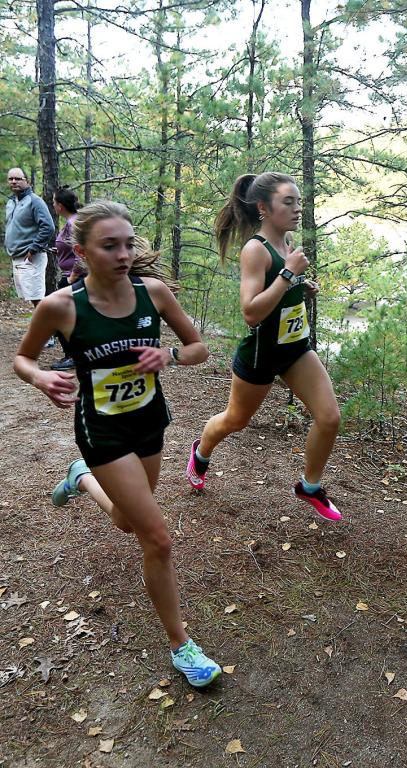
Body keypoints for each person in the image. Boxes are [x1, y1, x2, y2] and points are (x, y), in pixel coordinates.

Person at [13, 200, 222, 688]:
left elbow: (199, 349)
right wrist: (42, 377)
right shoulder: (61, 306)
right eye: (110, 246)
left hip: (149, 424)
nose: (124, 254)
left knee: (129, 522)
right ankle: (181, 646)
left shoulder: (154, 294)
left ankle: (81, 479)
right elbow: (21, 360)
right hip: (102, 430)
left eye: (128, 244)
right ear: (83, 251)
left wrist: (168, 354)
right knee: (158, 538)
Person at [185, 172, 342, 521]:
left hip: (295, 349)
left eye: (298, 201)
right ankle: (201, 451)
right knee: (235, 420)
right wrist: (288, 275)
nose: (298, 208)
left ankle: (309, 486)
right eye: (288, 201)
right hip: (261, 355)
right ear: (263, 208)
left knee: (329, 417)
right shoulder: (256, 250)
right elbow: (251, 312)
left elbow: (281, 293)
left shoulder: (287, 243)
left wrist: (302, 284)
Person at [5, 167, 55, 311]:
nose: (14, 182)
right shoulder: (11, 202)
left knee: (36, 297)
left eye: (18, 179)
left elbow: (48, 227)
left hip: (31, 257)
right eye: (11, 179)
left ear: (27, 181)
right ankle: (46, 329)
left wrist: (33, 249)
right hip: (17, 256)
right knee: (31, 298)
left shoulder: (35, 201)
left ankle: (48, 331)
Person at [50, 186, 83, 371]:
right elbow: (71, 248)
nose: (53, 205)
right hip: (69, 275)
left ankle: (73, 356)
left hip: (74, 277)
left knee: (59, 315)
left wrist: (73, 276)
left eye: (54, 202)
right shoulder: (71, 221)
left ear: (60, 206)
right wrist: (59, 251)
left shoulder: (73, 223)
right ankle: (74, 354)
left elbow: (81, 253)